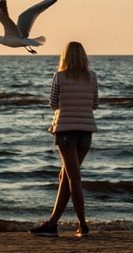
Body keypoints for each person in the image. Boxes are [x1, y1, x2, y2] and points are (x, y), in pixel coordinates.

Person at [30, 41, 99, 238]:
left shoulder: (59, 76)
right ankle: (52, 224)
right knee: (66, 176)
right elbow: (95, 104)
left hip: (66, 131)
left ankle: (82, 225)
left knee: (73, 178)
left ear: (65, 57)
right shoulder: (92, 77)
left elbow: (53, 104)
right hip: (86, 131)